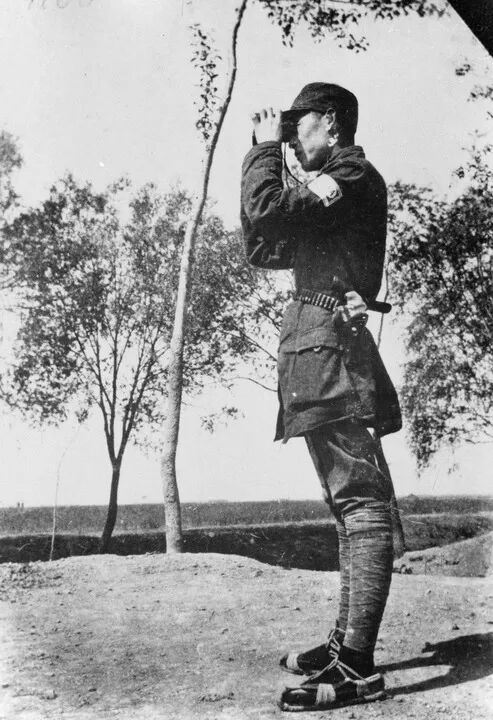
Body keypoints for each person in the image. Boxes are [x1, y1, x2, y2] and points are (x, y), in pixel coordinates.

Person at [240, 83, 403, 711]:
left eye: (297, 124)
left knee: (360, 503)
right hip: (314, 349)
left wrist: (262, 155)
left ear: (330, 122)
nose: (289, 135)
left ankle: (356, 664)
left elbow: (269, 213)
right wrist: (273, 163)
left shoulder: (351, 175)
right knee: (347, 504)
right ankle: (344, 642)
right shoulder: (325, 189)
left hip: (330, 349)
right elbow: (262, 243)